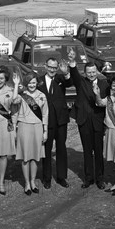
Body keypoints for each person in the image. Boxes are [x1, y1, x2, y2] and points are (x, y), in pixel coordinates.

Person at [68, 49, 108, 189]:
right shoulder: (81, 82)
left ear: (97, 71)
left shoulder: (104, 84)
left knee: (98, 150)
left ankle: (100, 179)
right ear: (85, 73)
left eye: (93, 72)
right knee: (87, 151)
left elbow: (110, 99)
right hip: (84, 121)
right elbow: (74, 73)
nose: (91, 74)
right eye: (88, 72)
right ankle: (88, 178)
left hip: (98, 121)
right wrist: (72, 61)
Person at [37, 57, 72, 189]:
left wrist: (66, 72)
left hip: (61, 119)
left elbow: (70, 82)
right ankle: (46, 178)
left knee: (61, 148)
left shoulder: (61, 78)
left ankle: (61, 177)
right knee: (46, 149)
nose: (52, 70)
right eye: (50, 67)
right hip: (47, 120)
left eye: (54, 68)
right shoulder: (39, 81)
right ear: (45, 66)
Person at [12, 72, 48, 195]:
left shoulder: (42, 95)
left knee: (35, 157)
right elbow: (14, 100)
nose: (32, 85)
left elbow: (45, 114)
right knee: (26, 157)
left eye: (34, 82)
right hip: (24, 126)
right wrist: (16, 85)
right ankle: (27, 183)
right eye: (29, 83)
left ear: (37, 83)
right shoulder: (22, 96)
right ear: (26, 84)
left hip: (37, 127)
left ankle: (33, 181)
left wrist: (45, 131)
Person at [94, 75, 115, 195]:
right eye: (114, 85)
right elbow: (99, 103)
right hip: (109, 132)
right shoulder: (109, 99)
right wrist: (97, 94)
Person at [0, 67, 17, 195]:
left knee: (3, 154)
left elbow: (0, 104)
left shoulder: (10, 91)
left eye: (1, 78)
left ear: (6, 79)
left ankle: (1, 181)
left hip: (5, 124)